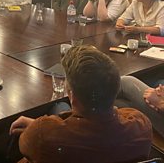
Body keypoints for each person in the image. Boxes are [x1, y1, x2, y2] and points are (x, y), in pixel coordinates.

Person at [10, 45, 152, 163]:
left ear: (71, 96)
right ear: (116, 89)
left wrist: (40, 126)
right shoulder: (142, 126)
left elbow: (27, 144)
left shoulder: (42, 136)